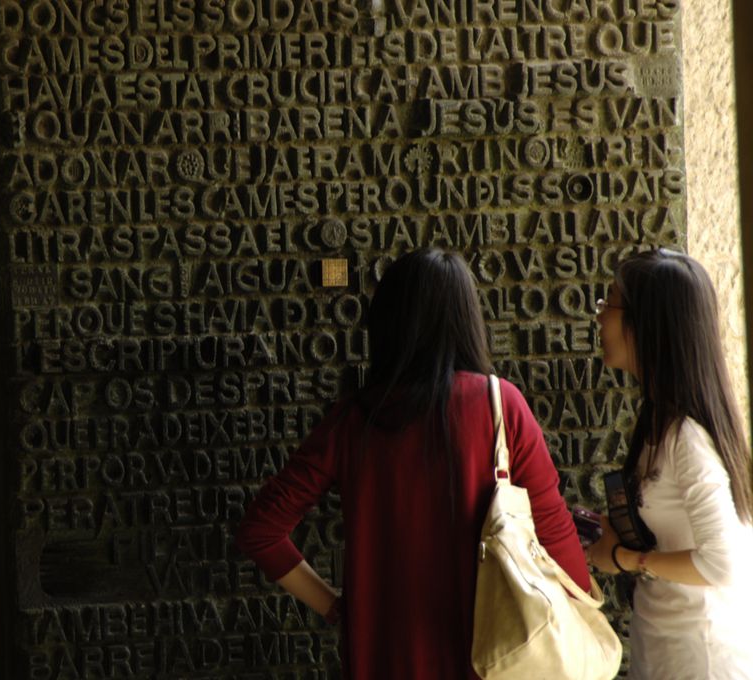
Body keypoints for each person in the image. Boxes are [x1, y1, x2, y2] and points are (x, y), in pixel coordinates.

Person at [235, 248, 591, 679]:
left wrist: (336, 608)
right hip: (486, 663)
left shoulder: (352, 420)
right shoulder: (501, 407)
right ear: (466, 319)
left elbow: (261, 531)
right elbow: (557, 538)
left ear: (387, 324)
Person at [587, 248, 753, 679]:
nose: (600, 317)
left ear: (648, 325)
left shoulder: (687, 439)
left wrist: (626, 559)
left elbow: (723, 563)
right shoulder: (659, 425)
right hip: (668, 654)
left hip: (702, 660)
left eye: (610, 305)